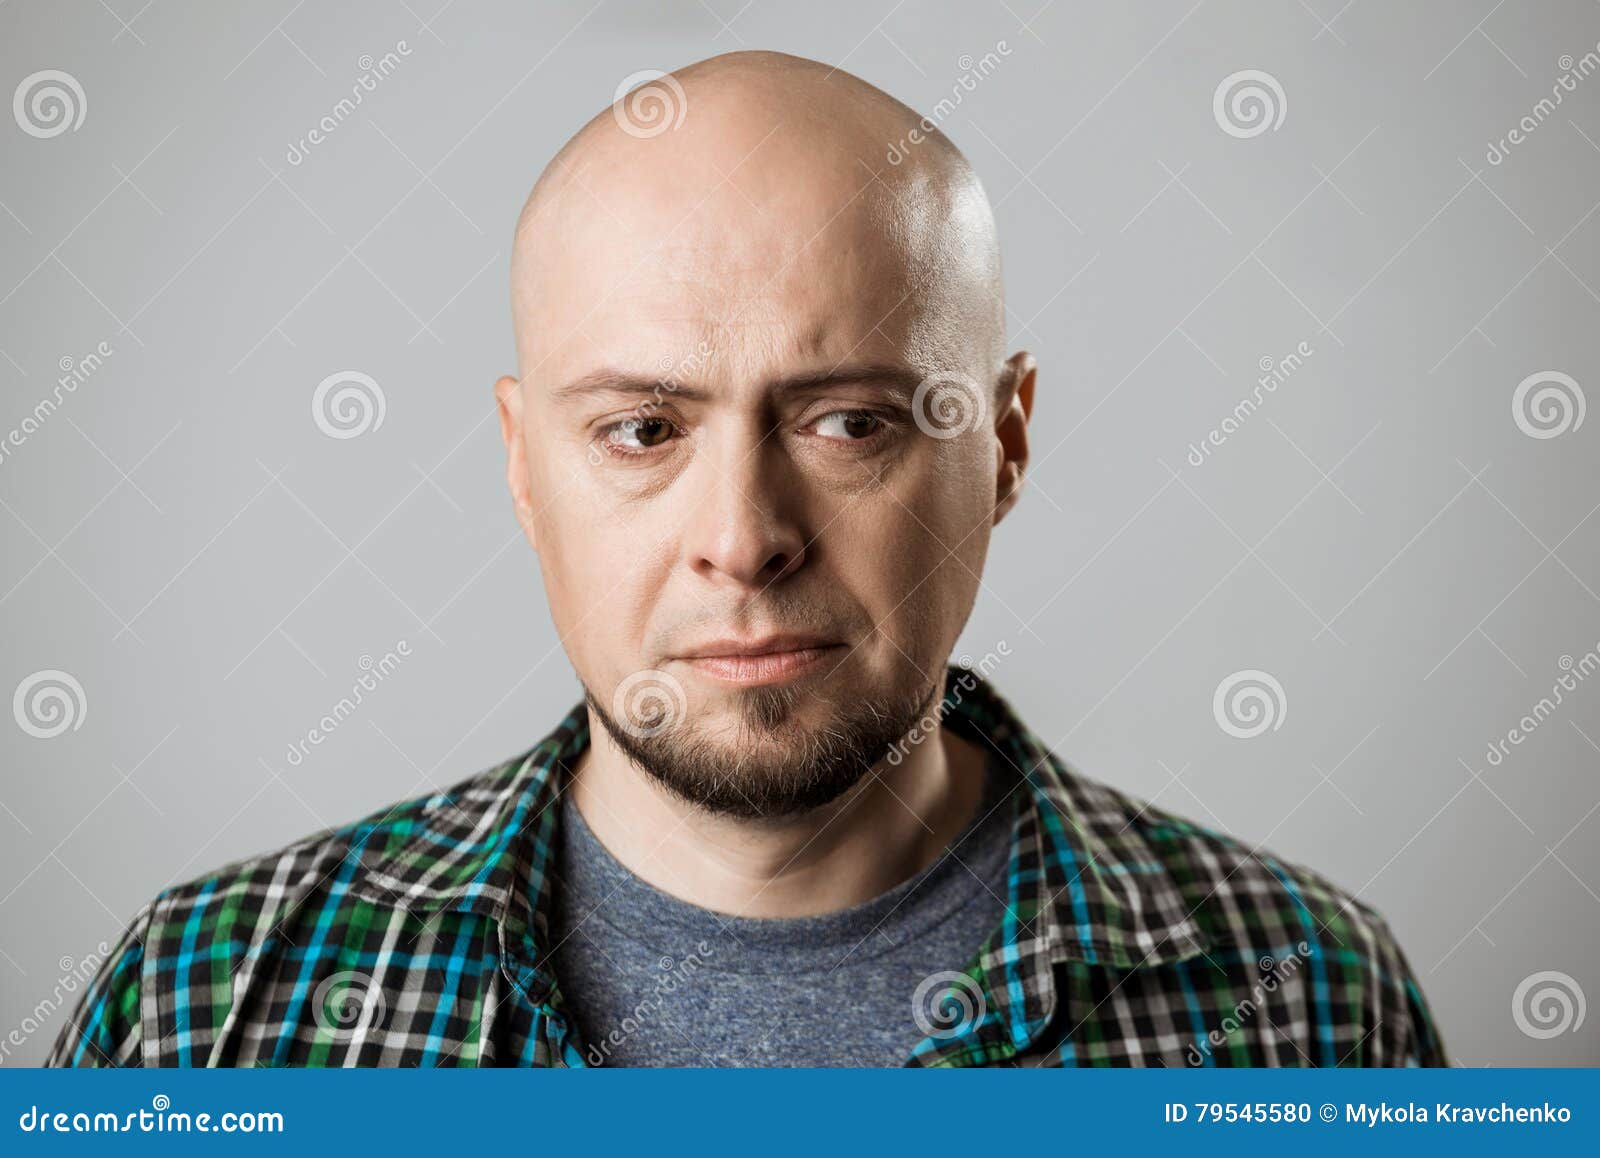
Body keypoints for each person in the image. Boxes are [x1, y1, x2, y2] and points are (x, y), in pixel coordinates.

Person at [48, 50, 1445, 1068]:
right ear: (526, 463)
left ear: (1005, 443)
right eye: (643, 428)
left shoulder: (1308, 1006)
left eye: (848, 421)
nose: (742, 540)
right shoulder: (208, 1010)